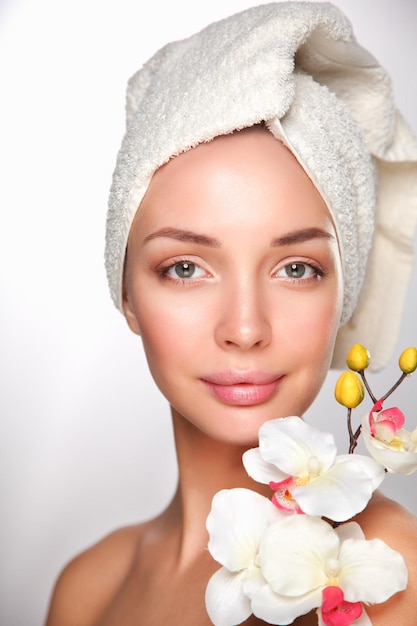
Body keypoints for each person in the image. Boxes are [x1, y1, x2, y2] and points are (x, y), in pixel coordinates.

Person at [45, 2, 417, 625]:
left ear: (343, 297)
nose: (245, 329)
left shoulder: (393, 574)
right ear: (128, 294)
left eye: (297, 269)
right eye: (185, 267)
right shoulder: (87, 591)